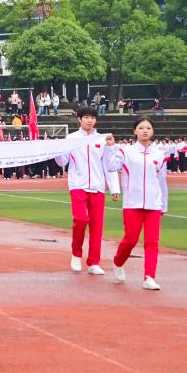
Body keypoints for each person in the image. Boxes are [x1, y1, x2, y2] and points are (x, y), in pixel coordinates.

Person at [104, 117, 168, 290]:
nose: (145, 130)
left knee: (152, 242)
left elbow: (162, 181)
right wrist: (110, 147)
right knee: (130, 239)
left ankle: (149, 277)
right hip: (132, 203)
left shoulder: (159, 154)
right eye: (141, 128)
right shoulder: (126, 152)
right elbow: (111, 167)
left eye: (148, 128)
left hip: (154, 204)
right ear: (135, 131)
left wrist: (164, 204)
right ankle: (118, 262)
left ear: (152, 131)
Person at [54, 107, 119, 275]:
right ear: (79, 119)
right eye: (86, 117)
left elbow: (109, 165)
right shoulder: (71, 138)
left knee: (97, 226)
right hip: (78, 185)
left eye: (93, 118)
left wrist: (114, 188)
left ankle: (94, 262)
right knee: (81, 219)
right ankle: (76, 255)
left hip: (97, 187)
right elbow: (62, 162)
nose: (90, 120)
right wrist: (57, 150)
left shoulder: (102, 139)